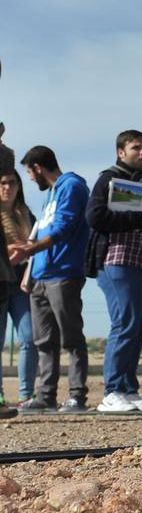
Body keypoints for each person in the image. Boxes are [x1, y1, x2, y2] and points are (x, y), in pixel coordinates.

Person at [85, 130, 142, 413]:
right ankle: (112, 391)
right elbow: (94, 216)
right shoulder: (108, 179)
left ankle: (128, 389)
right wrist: (137, 219)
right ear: (121, 152)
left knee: (140, 325)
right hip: (118, 260)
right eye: (136, 147)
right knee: (126, 321)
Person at [8, 146, 91, 413]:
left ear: (38, 167)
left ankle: (77, 396)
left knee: (71, 338)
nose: (30, 178)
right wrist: (29, 261)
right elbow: (42, 231)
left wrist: (30, 249)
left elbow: (64, 228)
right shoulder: (50, 196)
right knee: (43, 341)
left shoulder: (72, 186)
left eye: (30, 172)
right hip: (40, 276)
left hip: (64, 274)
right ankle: (46, 396)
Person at [1, 168, 37, 409]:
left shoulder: (26, 213)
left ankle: (26, 395)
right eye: (3, 183)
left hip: (22, 283)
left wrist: (26, 249)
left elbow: (36, 243)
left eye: (12, 183)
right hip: (1, 282)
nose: (8, 187)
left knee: (30, 338)